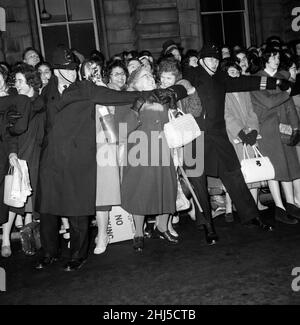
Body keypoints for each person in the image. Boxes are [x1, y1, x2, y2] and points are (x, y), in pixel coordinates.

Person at [34, 45, 187, 271]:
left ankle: (78, 254)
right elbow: (37, 109)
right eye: (67, 69)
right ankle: (49, 252)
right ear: (56, 71)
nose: (73, 72)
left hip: (77, 156)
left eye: (74, 68)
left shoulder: (85, 88)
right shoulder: (48, 90)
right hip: (52, 157)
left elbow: (118, 96)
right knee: (47, 208)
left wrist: (149, 94)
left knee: (77, 209)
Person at [182, 43, 290, 237]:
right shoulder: (193, 73)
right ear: (201, 60)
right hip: (194, 137)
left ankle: (251, 216)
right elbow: (182, 85)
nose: (214, 62)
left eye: (216, 59)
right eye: (210, 59)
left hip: (219, 135)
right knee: (197, 181)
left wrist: (277, 83)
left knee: (234, 174)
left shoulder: (221, 78)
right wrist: (175, 90)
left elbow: (246, 83)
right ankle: (207, 225)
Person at [121, 66, 179, 252]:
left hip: (162, 148)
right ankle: (138, 232)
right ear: (135, 83)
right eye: (145, 76)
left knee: (166, 187)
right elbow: (123, 128)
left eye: (151, 75)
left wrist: (173, 111)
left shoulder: (162, 95)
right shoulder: (129, 98)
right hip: (140, 150)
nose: (151, 78)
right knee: (141, 190)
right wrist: (135, 109)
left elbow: (171, 121)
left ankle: (162, 226)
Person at [251, 47, 300, 223]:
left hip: (284, 127)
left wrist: (296, 128)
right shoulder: (257, 79)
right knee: (274, 169)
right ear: (265, 59)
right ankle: (279, 208)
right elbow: (268, 102)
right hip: (268, 129)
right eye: (273, 57)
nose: (277, 60)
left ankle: (291, 204)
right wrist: (286, 92)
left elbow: (290, 106)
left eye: (278, 57)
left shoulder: (280, 77)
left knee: (289, 166)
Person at [1, 63, 46, 256]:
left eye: (20, 81)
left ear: (30, 82)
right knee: (15, 199)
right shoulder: (14, 104)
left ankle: (30, 239)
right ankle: (5, 241)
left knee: (32, 200)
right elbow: (10, 132)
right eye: (15, 81)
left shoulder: (41, 102)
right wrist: (12, 153)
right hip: (19, 154)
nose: (16, 85)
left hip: (39, 156)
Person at [0, 65, 31, 257]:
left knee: (8, 195)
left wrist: (12, 153)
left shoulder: (15, 99)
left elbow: (13, 130)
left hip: (5, 150)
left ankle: (5, 239)